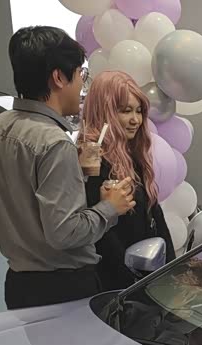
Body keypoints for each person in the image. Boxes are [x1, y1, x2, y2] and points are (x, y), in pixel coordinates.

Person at [0, 26, 136, 310]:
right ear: (58, 77)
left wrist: (75, 173)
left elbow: (25, 196)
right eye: (80, 75)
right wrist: (110, 207)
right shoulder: (54, 142)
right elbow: (65, 233)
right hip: (64, 288)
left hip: (19, 283)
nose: (81, 86)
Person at [79, 71, 174, 292]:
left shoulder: (135, 158)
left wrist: (171, 271)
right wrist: (132, 281)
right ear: (105, 111)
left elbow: (155, 216)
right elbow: (102, 236)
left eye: (139, 111)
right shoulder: (91, 161)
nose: (135, 120)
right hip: (116, 287)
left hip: (147, 280)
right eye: (125, 111)